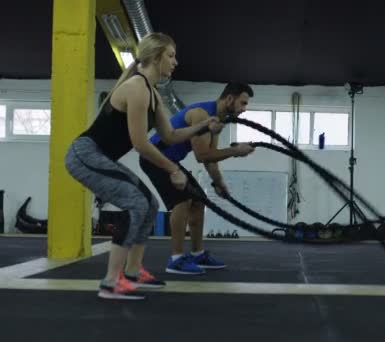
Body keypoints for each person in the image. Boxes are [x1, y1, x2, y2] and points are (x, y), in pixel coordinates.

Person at [64, 32, 224, 300]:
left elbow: (170, 136)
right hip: (84, 155)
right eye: (171, 56)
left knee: (148, 204)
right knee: (136, 203)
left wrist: (203, 125)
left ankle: (134, 272)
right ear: (155, 57)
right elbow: (140, 143)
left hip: (98, 158)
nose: (175, 62)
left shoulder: (152, 93)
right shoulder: (136, 88)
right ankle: (111, 282)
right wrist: (173, 169)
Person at [139, 83, 255, 275]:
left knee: (199, 200)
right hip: (154, 156)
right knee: (182, 200)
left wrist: (219, 183)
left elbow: (211, 157)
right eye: (242, 103)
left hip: (170, 159)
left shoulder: (217, 121)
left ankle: (197, 254)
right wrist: (236, 151)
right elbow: (202, 156)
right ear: (229, 99)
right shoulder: (202, 115)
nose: (244, 109)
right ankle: (176, 260)